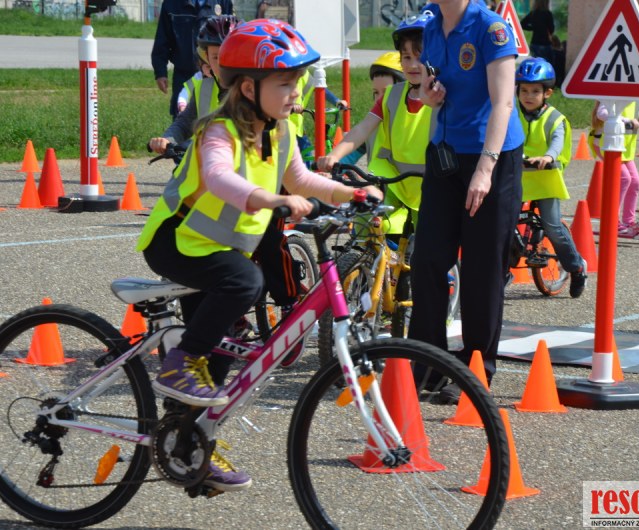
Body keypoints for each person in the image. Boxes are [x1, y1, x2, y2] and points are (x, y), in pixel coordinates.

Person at [136, 19, 381, 491]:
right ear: (249, 87)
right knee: (247, 284)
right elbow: (219, 177)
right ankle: (179, 362)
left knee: (226, 346)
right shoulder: (219, 130)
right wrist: (268, 200)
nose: (296, 92)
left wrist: (350, 193)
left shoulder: (281, 130)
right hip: (176, 242)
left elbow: (302, 180)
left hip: (214, 250)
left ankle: (186, 444)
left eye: (298, 82)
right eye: (285, 83)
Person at [411, 0, 523, 402]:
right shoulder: (431, 27)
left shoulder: (491, 29)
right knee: (427, 260)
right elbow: (428, 93)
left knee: (481, 267)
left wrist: (485, 169)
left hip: (491, 156)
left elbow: (504, 103)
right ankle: (426, 364)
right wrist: (429, 95)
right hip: (445, 154)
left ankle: (476, 372)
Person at [317, 13, 436, 234]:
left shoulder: (443, 96)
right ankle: (365, 257)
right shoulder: (391, 95)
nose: (412, 65)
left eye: (420, 57)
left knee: (425, 245)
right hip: (396, 183)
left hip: (432, 186)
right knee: (365, 219)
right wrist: (334, 156)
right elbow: (362, 129)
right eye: (406, 57)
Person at [515, 57, 587, 298]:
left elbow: (557, 142)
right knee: (501, 222)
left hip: (546, 177)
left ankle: (576, 268)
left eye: (535, 91)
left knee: (553, 227)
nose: (528, 96)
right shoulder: (512, 112)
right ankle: (502, 270)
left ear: (548, 93)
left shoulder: (555, 119)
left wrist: (547, 157)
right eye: (524, 90)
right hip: (517, 177)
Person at [149, 15, 240, 154]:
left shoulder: (251, 91)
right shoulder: (204, 88)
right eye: (215, 57)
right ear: (206, 58)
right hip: (206, 160)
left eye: (228, 54)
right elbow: (185, 123)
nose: (222, 63)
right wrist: (167, 140)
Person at [151, 0, 233, 118]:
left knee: (215, 115)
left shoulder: (223, 2)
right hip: (183, 74)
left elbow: (231, 37)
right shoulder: (171, 4)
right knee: (181, 114)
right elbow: (162, 38)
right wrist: (160, 72)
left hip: (214, 75)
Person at [593, 101, 639, 237]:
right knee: (624, 179)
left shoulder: (632, 99)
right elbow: (602, 113)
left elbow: (636, 115)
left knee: (635, 182)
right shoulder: (613, 95)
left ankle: (628, 222)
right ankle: (612, 222)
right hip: (608, 145)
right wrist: (626, 120)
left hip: (624, 149)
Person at [339, 51, 406, 166]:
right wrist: (333, 165)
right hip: (381, 178)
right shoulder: (374, 125)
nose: (380, 99)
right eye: (376, 92)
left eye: (387, 92)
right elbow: (351, 153)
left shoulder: (420, 122)